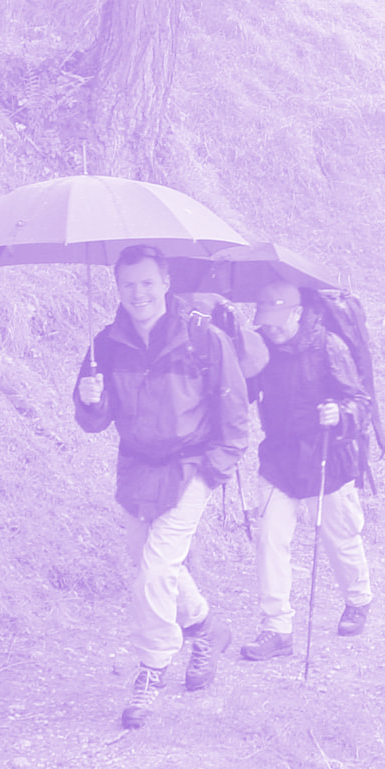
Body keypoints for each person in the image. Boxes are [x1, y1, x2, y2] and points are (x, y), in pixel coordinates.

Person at [74, 245, 249, 728]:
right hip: (136, 468)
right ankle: (207, 628)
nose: (139, 293)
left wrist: (213, 469)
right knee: (149, 561)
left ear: (166, 282)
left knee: (154, 571)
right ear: (117, 288)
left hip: (190, 465)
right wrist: (91, 400)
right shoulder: (106, 343)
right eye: (129, 284)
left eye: (148, 282)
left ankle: (152, 667)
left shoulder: (202, 337)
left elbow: (235, 416)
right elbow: (94, 419)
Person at [240, 279, 373, 663]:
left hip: (327, 454)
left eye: (278, 321)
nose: (272, 328)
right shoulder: (260, 346)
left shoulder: (328, 346)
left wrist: (341, 414)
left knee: (339, 538)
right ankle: (277, 628)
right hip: (279, 458)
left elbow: (360, 402)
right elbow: (241, 390)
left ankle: (358, 598)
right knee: (270, 540)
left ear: (297, 313)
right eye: (266, 321)